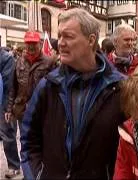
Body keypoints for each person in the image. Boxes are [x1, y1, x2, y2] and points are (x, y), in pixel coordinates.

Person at [20, 8, 126, 179]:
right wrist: (36, 175)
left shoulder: (120, 88)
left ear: (91, 40)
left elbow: (131, 150)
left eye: (68, 36)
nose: (60, 43)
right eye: (59, 35)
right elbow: (29, 140)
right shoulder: (48, 86)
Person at [5, 31, 56, 125]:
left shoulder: (49, 62)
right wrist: (9, 109)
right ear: (25, 44)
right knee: (23, 138)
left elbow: (54, 89)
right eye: (28, 43)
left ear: (40, 44)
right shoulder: (19, 61)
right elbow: (13, 87)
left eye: (34, 43)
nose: (31, 46)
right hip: (21, 111)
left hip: (41, 111)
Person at [0, 47, 21, 179]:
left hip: (4, 101)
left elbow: (9, 86)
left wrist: (8, 108)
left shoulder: (6, 58)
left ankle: (14, 166)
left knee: (8, 134)